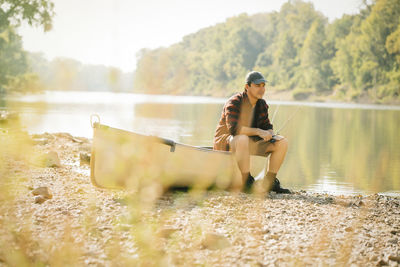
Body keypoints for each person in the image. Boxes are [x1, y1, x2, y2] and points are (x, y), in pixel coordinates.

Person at [213, 71, 291, 194]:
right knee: (242, 138)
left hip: (249, 141)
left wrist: (270, 133)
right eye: (257, 85)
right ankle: (246, 181)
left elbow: (267, 126)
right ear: (247, 87)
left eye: (263, 85)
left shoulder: (262, 104)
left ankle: (269, 182)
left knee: (282, 142)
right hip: (226, 141)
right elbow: (234, 130)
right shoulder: (234, 102)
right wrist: (259, 131)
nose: (262, 89)